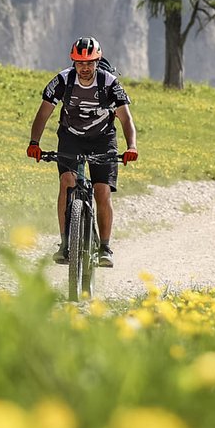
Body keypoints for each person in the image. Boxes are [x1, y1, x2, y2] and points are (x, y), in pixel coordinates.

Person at [27, 36, 137, 267]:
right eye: (80, 63)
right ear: (73, 62)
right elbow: (43, 113)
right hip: (71, 138)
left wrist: (131, 147)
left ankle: (105, 246)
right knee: (67, 182)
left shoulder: (109, 83)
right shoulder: (62, 81)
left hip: (103, 139)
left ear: (97, 61)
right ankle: (66, 243)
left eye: (89, 62)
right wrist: (34, 142)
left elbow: (126, 119)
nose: (85, 68)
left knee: (102, 190)